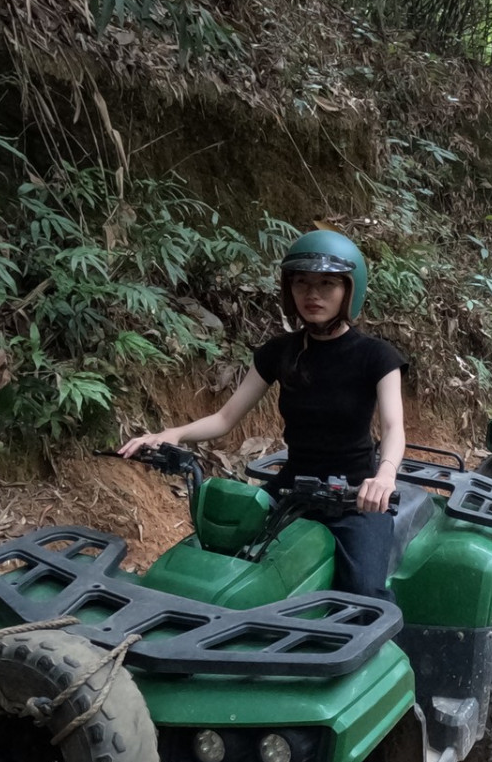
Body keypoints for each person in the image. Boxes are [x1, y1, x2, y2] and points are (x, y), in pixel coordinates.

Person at [119, 229, 406, 599]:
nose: (312, 294)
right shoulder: (279, 352)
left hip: (353, 499)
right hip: (289, 490)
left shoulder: (376, 355)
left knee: (364, 595)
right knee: (220, 556)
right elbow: (225, 418)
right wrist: (171, 434)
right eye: (302, 282)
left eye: (327, 283)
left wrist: (383, 477)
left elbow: (393, 426)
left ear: (350, 290)